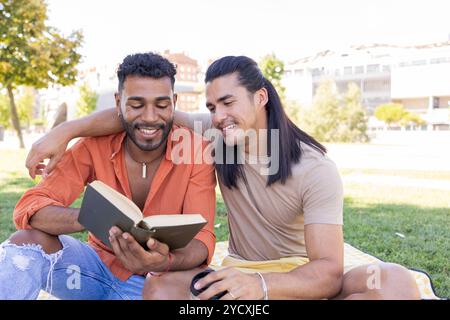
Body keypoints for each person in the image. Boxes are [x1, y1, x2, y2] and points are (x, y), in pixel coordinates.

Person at [25, 56, 420, 300]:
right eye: (212, 106)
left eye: (228, 102)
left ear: (261, 97)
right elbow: (140, 115)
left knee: (394, 282)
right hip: (239, 272)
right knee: (159, 289)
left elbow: (329, 270)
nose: (218, 115)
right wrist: (61, 133)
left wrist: (263, 288)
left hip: (302, 278)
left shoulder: (314, 168)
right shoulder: (217, 135)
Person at [0, 52, 216, 300]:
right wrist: (93, 217)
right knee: (24, 244)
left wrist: (161, 262)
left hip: (157, 281)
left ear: (174, 102)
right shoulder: (93, 146)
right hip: (94, 270)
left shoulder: (196, 151)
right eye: (136, 105)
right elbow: (31, 206)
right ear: (118, 102)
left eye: (162, 105)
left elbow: (203, 239)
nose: (149, 117)